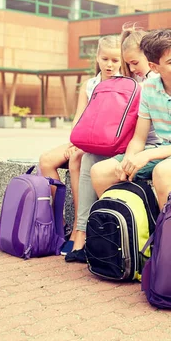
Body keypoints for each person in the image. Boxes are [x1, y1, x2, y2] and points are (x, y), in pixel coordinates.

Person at [64, 25, 162, 263]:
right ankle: (82, 235)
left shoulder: (155, 81)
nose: (131, 68)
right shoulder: (128, 79)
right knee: (87, 158)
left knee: (96, 166)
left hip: (152, 146)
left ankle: (108, 233)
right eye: (128, 64)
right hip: (127, 143)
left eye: (134, 62)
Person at [91, 28, 171, 207]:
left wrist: (147, 155)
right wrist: (128, 160)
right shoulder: (149, 88)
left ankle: (166, 233)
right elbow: (139, 138)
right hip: (164, 149)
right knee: (100, 171)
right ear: (154, 67)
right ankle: (135, 230)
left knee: (163, 171)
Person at [39, 35, 121, 255]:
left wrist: (81, 147)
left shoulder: (123, 85)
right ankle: (55, 226)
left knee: (77, 159)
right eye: (105, 59)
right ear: (97, 58)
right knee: (46, 160)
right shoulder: (90, 84)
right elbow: (78, 118)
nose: (110, 64)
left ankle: (78, 228)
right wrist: (76, 141)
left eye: (115, 60)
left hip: (106, 141)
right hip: (85, 137)